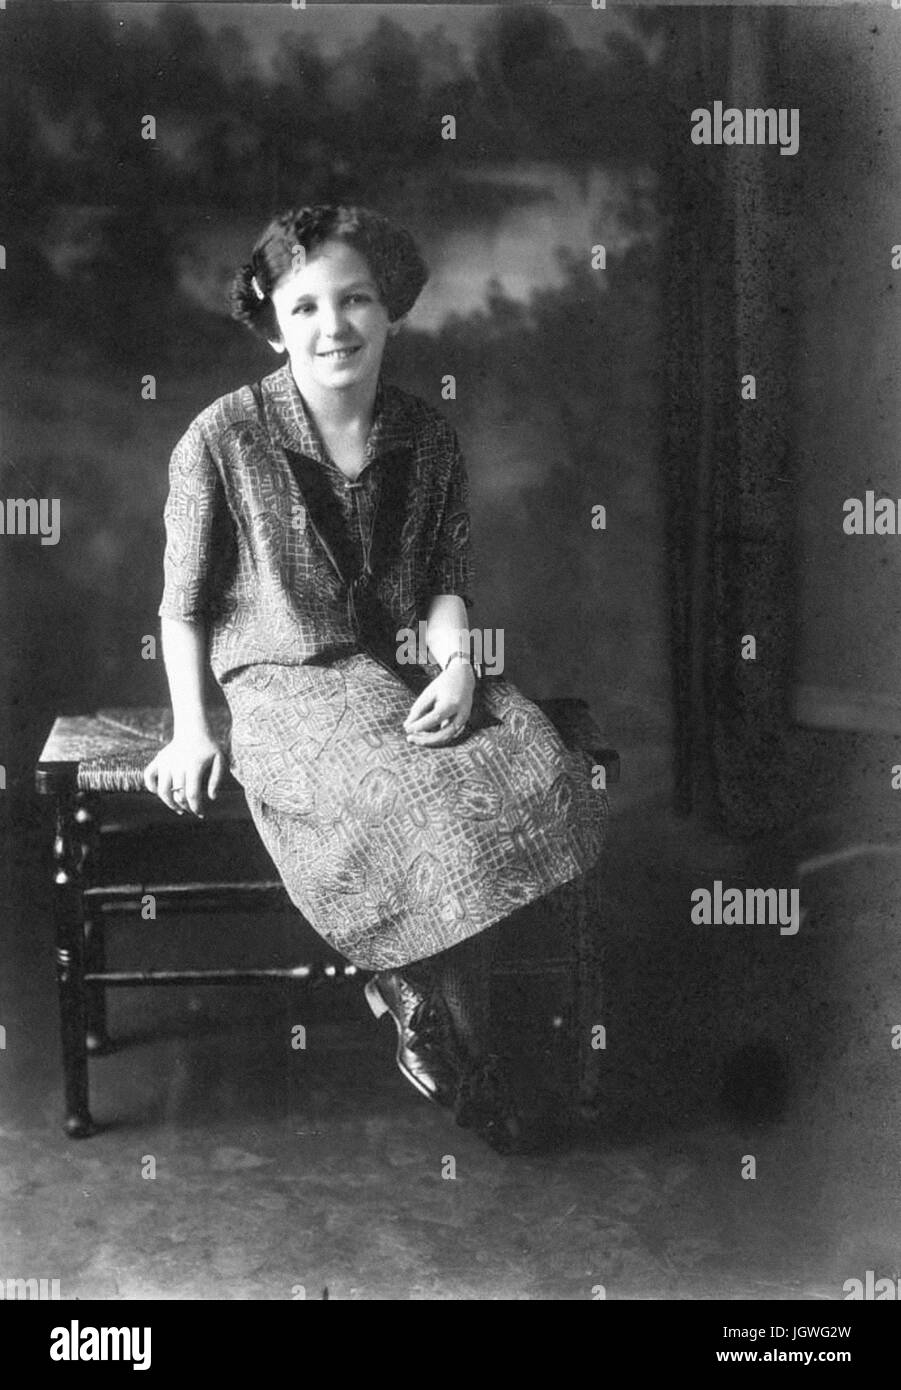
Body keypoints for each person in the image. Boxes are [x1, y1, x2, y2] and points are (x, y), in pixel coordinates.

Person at [144, 204, 607, 1153]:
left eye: (355, 299)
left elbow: (442, 584)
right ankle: (444, 1034)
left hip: (403, 666)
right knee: (413, 799)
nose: (333, 325)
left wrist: (457, 668)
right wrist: (193, 731)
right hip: (287, 679)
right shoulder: (223, 438)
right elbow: (181, 608)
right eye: (304, 305)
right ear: (273, 321)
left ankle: (432, 1006)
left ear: (391, 309)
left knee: (537, 774)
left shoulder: (426, 439)